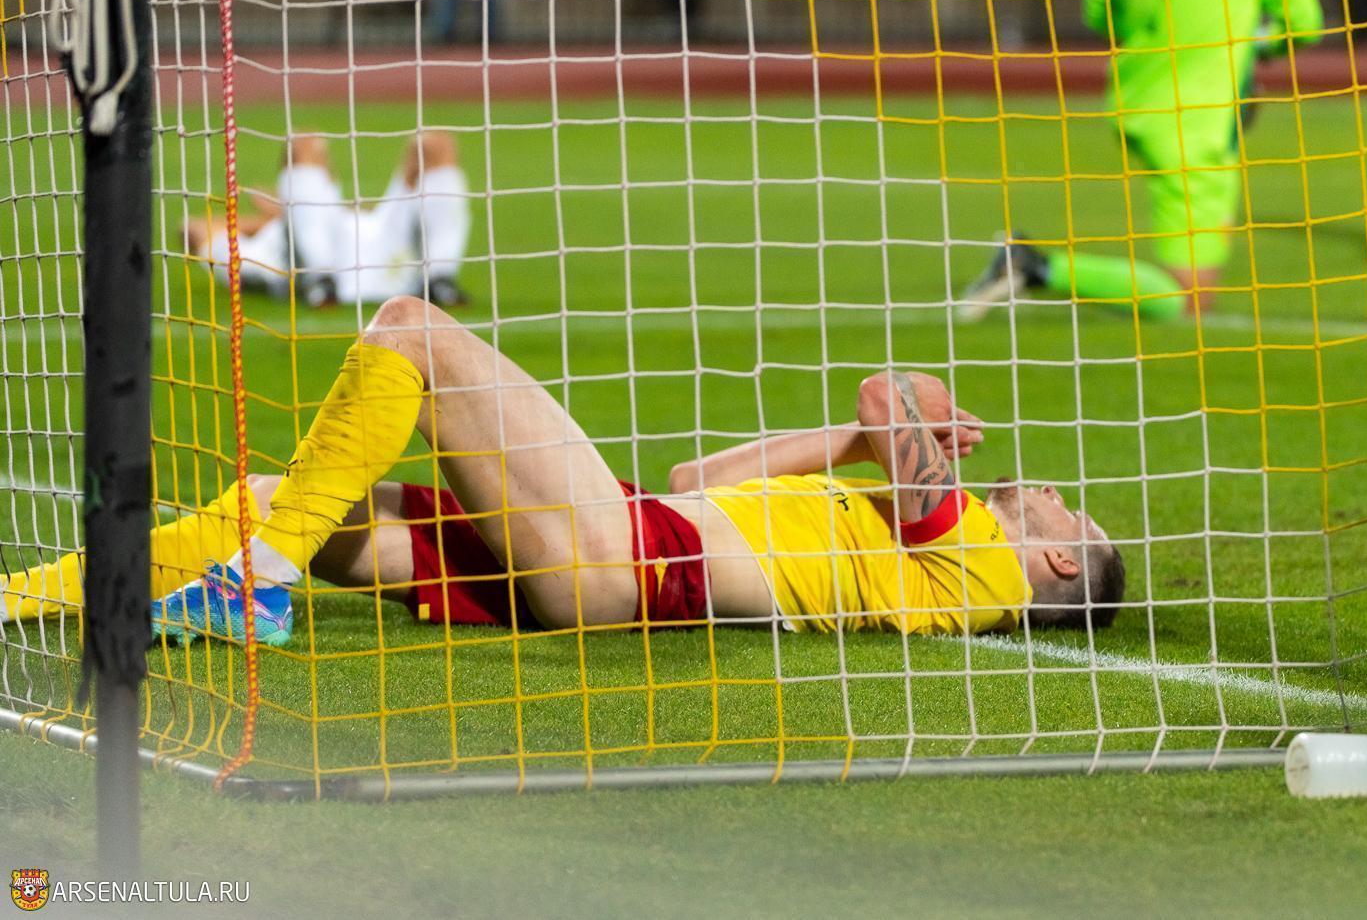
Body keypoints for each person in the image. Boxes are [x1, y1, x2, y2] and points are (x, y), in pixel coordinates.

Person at [1, 296, 1125, 643]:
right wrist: (859, 441)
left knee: (414, 332)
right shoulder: (892, 533)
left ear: (1063, 561)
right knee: (287, 505)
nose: (1055, 494)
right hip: (627, 535)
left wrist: (916, 406)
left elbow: (890, 395)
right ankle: (27, 596)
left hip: (623, 556)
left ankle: (258, 586)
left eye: (1071, 513)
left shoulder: (987, 566)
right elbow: (699, 471)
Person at [961, 0, 1323, 322]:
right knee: (1190, 300)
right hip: (1200, 119)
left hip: (1136, 100)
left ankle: (1032, 266)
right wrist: (1246, 46)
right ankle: (1035, 267)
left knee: (1190, 291)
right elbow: (1303, 23)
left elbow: (1099, 12)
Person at [188, 132, 471, 308]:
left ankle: (440, 280)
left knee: (436, 144)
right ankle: (319, 279)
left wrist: (282, 213)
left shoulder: (302, 216)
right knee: (302, 145)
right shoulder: (261, 253)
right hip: (312, 263)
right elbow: (193, 229)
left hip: (383, 248)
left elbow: (200, 226)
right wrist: (280, 215)